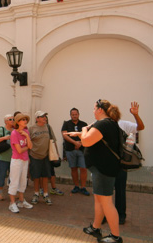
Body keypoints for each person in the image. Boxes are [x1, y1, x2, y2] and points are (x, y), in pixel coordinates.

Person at [67, 99, 123, 243]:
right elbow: (94, 139)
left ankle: (115, 236)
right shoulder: (108, 123)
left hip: (104, 169)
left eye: (94, 108)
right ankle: (96, 227)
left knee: (106, 202)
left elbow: (86, 141)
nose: (93, 111)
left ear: (99, 110)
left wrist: (84, 129)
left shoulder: (103, 124)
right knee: (99, 200)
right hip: (101, 169)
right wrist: (82, 133)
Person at [115, 101, 145, 225]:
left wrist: (135, 115)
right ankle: (106, 214)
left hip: (121, 163)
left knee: (120, 190)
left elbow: (141, 127)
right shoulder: (102, 125)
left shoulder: (123, 124)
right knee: (105, 192)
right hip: (106, 163)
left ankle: (121, 214)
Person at [8, 113, 33, 213]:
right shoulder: (14, 133)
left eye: (25, 119)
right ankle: (12, 203)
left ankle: (21, 201)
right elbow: (19, 150)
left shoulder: (26, 131)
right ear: (18, 122)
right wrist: (27, 147)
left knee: (23, 181)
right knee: (14, 181)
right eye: (22, 119)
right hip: (17, 160)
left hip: (25, 160)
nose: (25, 121)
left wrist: (26, 136)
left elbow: (30, 146)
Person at [28, 111, 55, 206]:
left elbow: (53, 141)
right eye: (42, 116)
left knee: (45, 176)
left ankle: (46, 194)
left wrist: (56, 155)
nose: (45, 118)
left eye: (45, 116)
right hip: (34, 156)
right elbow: (28, 143)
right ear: (37, 118)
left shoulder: (48, 127)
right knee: (36, 176)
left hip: (46, 156)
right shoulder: (31, 128)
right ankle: (36, 194)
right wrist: (28, 157)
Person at [62, 108, 90, 196]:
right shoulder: (66, 124)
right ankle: (76, 186)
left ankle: (83, 187)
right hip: (70, 150)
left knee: (83, 168)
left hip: (82, 150)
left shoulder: (84, 124)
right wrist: (74, 143)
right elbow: (64, 135)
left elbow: (87, 136)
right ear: (70, 115)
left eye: (76, 114)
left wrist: (80, 143)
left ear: (78, 114)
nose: (74, 116)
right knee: (73, 168)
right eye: (72, 114)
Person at [0, 114, 14, 201]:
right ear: (5, 121)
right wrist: (4, 138)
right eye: (10, 119)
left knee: (13, 176)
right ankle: (0, 192)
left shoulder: (15, 130)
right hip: (3, 157)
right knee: (1, 175)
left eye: (13, 119)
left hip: (13, 157)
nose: (12, 120)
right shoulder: (2, 130)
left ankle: (11, 192)